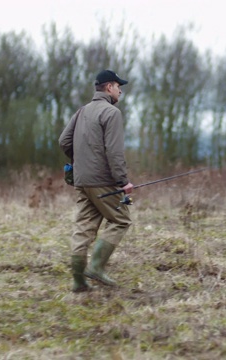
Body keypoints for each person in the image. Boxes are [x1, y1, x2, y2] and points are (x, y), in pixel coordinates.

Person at [59, 70, 134, 292]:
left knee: (83, 228)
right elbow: (114, 151)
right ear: (109, 87)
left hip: (81, 180)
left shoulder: (82, 111)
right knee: (121, 220)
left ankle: (78, 282)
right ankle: (96, 267)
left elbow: (64, 141)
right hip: (103, 181)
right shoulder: (111, 113)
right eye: (119, 86)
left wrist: (80, 161)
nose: (121, 90)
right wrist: (123, 181)